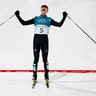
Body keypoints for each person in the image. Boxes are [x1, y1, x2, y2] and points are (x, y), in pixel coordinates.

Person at [15, 5, 68, 81]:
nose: (43, 9)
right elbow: (24, 23)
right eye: (42, 8)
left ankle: (46, 74)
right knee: (36, 59)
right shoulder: (36, 18)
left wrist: (64, 16)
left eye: (45, 8)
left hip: (44, 41)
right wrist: (18, 16)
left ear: (47, 10)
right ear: (40, 9)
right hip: (36, 41)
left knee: (45, 59)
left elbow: (59, 25)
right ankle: (34, 75)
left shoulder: (49, 20)